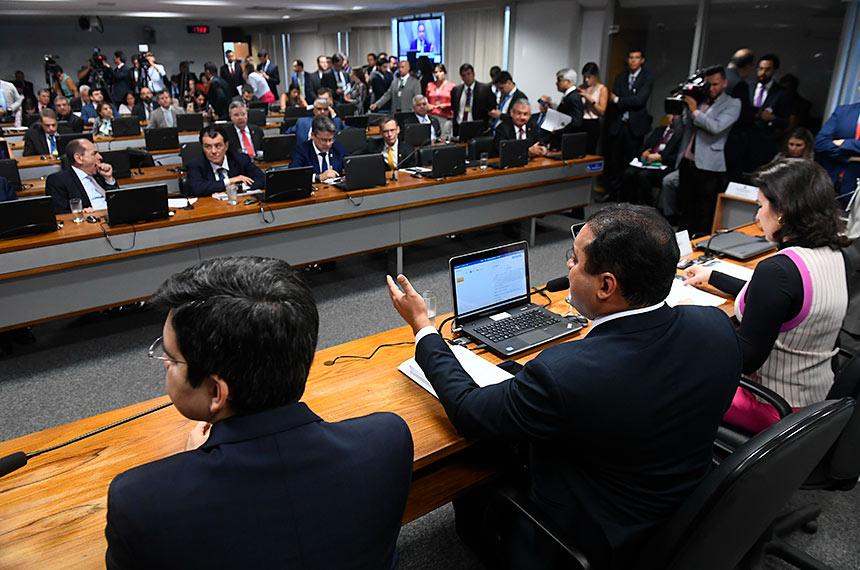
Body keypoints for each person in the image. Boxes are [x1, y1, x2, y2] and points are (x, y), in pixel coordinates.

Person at [387, 203, 741, 569]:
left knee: (479, 458)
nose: (568, 266)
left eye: (575, 259)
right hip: (687, 516)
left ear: (606, 285)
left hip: (601, 540)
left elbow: (468, 409)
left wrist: (423, 328)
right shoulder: (715, 326)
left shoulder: (566, 372)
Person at [105, 256, 413, 570]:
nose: (164, 363)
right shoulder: (388, 439)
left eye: (171, 358)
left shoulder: (138, 500)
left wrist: (190, 466)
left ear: (216, 392)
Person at [684, 159, 850, 433]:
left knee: (677, 373)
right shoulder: (835, 255)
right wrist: (713, 276)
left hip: (772, 405)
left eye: (760, 206)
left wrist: (699, 317)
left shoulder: (777, 271)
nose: (757, 216)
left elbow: (746, 357)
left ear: (783, 211)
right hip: (816, 402)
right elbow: (782, 299)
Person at [676, 65, 741, 236]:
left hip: (709, 166)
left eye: (715, 84)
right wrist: (681, 109)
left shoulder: (733, 104)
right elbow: (684, 127)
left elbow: (715, 127)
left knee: (704, 211)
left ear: (725, 83)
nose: (711, 88)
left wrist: (695, 111)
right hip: (687, 161)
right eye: (708, 84)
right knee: (685, 208)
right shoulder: (699, 100)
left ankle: (699, 244)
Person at [604, 48, 654, 203]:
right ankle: (613, 194)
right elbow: (613, 100)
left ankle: (629, 198)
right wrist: (625, 100)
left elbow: (639, 101)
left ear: (642, 60)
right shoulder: (621, 77)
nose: (633, 60)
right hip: (619, 124)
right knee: (615, 161)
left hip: (635, 127)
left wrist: (620, 100)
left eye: (636, 57)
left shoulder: (647, 78)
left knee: (631, 162)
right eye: (631, 57)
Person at [620, 114, 683, 206]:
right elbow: (645, 146)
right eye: (671, 114)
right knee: (629, 173)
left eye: (675, 115)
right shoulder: (659, 130)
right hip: (646, 162)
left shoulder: (681, 135)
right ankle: (622, 205)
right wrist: (643, 153)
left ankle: (646, 207)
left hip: (662, 166)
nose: (672, 118)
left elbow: (676, 158)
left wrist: (660, 157)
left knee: (644, 175)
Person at [814, 78, 860, 201]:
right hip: (830, 183)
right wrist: (850, 157)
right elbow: (821, 144)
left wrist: (844, 143)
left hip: (856, 190)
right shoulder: (843, 112)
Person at [185, 126, 265, 197]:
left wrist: (238, 187)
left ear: (226, 146)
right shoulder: (195, 165)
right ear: (203, 147)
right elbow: (197, 188)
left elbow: (262, 179)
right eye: (208, 147)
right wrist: (230, 181)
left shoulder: (241, 159)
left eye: (218, 146)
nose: (213, 151)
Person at [45, 138, 118, 213]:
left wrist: (109, 178)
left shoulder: (99, 174)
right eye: (94, 154)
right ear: (79, 158)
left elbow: (117, 200)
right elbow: (59, 213)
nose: (100, 157)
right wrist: (80, 213)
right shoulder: (58, 180)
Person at [747, 54, 791, 171]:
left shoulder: (782, 93)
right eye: (761, 69)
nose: (763, 73)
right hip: (744, 141)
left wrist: (772, 118)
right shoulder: (748, 88)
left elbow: (785, 123)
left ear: (774, 71)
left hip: (764, 143)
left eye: (767, 69)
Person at [290, 115, 347, 183]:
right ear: (312, 135)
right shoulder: (302, 150)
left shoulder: (338, 148)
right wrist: (318, 177)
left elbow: (351, 167)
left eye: (330, 140)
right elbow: (293, 175)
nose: (328, 144)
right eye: (323, 140)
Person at [451, 63, 497, 132]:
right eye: (464, 75)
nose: (467, 77)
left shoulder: (485, 89)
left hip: (477, 127)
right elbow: (454, 108)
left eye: (468, 74)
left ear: (473, 74)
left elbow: (492, 108)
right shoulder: (456, 90)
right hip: (459, 126)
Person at [551, 67, 584, 149]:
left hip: (568, 140)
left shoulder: (573, 97)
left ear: (568, 81)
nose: (556, 83)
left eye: (559, 80)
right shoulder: (569, 96)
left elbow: (576, 122)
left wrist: (559, 131)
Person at [579, 62, 608, 155]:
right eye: (585, 77)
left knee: (590, 150)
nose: (586, 80)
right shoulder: (581, 87)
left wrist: (590, 99)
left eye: (589, 77)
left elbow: (602, 111)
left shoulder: (602, 89)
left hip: (593, 122)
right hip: (581, 121)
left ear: (595, 76)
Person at [425, 63, 455, 140]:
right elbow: (426, 100)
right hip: (432, 116)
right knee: (432, 138)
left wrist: (447, 105)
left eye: (440, 71)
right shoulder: (430, 85)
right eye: (436, 72)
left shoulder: (451, 86)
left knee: (444, 138)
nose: (438, 74)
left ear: (445, 73)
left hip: (445, 116)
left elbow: (455, 103)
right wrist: (428, 106)